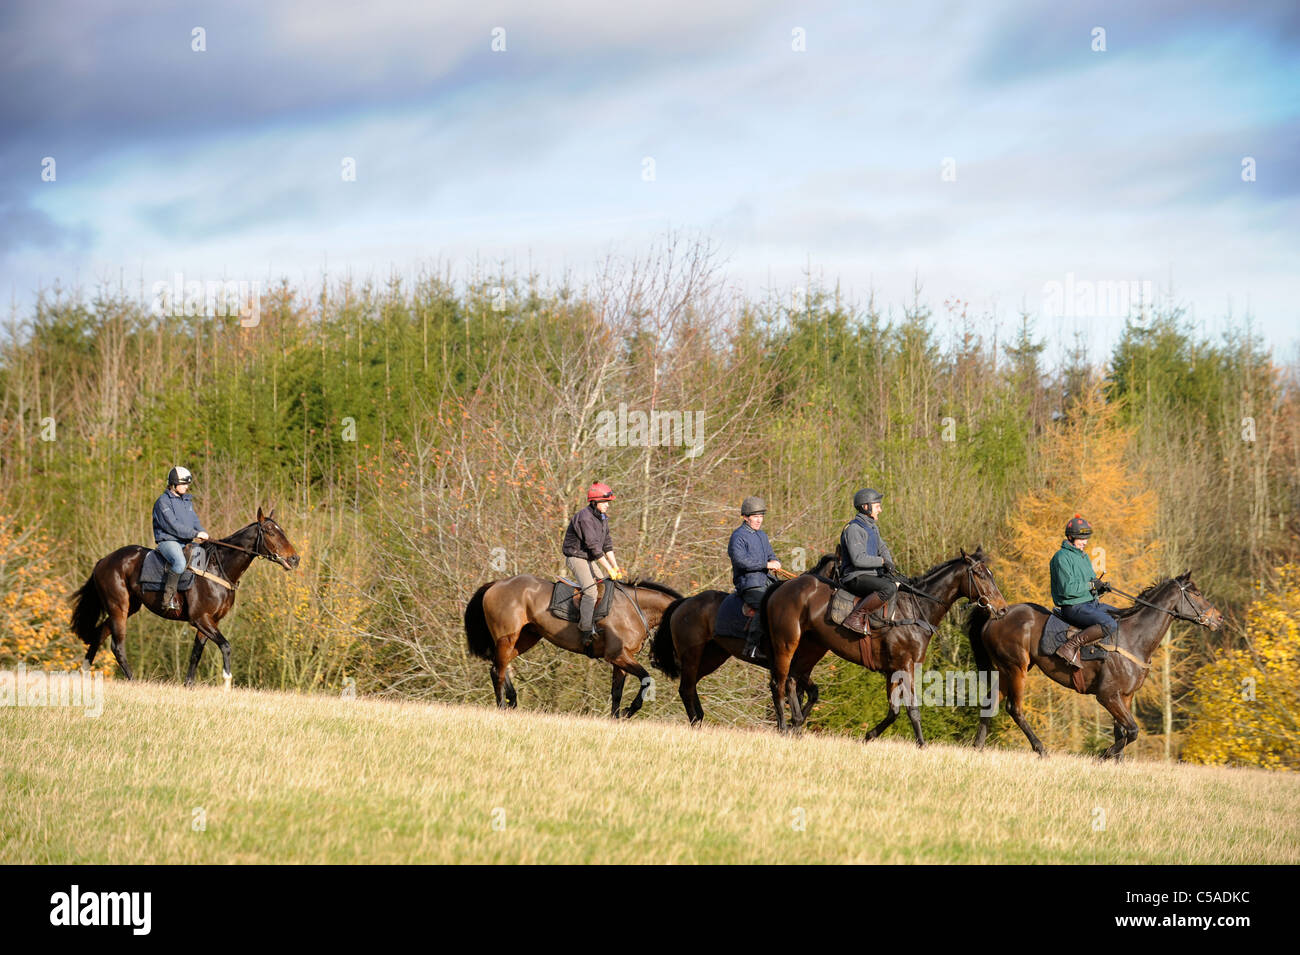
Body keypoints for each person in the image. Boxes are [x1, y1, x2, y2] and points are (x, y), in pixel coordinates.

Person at [561, 482, 624, 657]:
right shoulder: (585, 518)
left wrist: (615, 567)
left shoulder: (603, 518)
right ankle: (585, 629)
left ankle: (598, 620)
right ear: (594, 502)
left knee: (605, 585)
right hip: (576, 557)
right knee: (590, 591)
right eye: (605, 502)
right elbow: (595, 548)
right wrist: (608, 568)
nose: (608, 505)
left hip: (589, 557)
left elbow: (607, 545)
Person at [1050, 514, 1120, 667]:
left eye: (1086, 538)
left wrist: (1100, 588)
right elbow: (1068, 589)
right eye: (1082, 539)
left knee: (1120, 615)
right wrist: (1091, 586)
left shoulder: (1084, 556)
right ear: (1070, 537)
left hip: (1090, 604)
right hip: (1073, 607)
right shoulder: (1061, 558)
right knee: (1109, 624)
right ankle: (1069, 647)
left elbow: (1091, 584)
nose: (1085, 542)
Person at [838, 488, 900, 633]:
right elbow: (858, 559)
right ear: (866, 507)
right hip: (855, 576)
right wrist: (882, 562)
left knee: (902, 583)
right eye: (877, 506)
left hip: (871, 575)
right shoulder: (853, 529)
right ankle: (855, 617)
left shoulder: (872, 527)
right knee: (888, 588)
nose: (880, 509)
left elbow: (882, 548)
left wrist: (889, 563)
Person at [728, 496, 781, 659]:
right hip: (748, 583)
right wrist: (766, 565)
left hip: (766, 581)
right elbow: (741, 561)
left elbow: (770, 554)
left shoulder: (762, 535)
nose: (759, 520)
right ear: (745, 517)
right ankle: (751, 648)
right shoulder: (738, 536)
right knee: (764, 606)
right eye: (755, 517)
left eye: (761, 517)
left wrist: (775, 560)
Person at [152, 466, 209, 611]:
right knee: (179, 562)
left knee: (203, 558)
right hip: (168, 540)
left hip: (185, 540)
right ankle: (167, 599)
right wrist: (195, 534)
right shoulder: (162, 502)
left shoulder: (186, 501)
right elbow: (173, 526)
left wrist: (201, 531)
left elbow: (194, 520)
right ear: (173, 484)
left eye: (187, 483)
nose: (186, 486)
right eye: (183, 483)